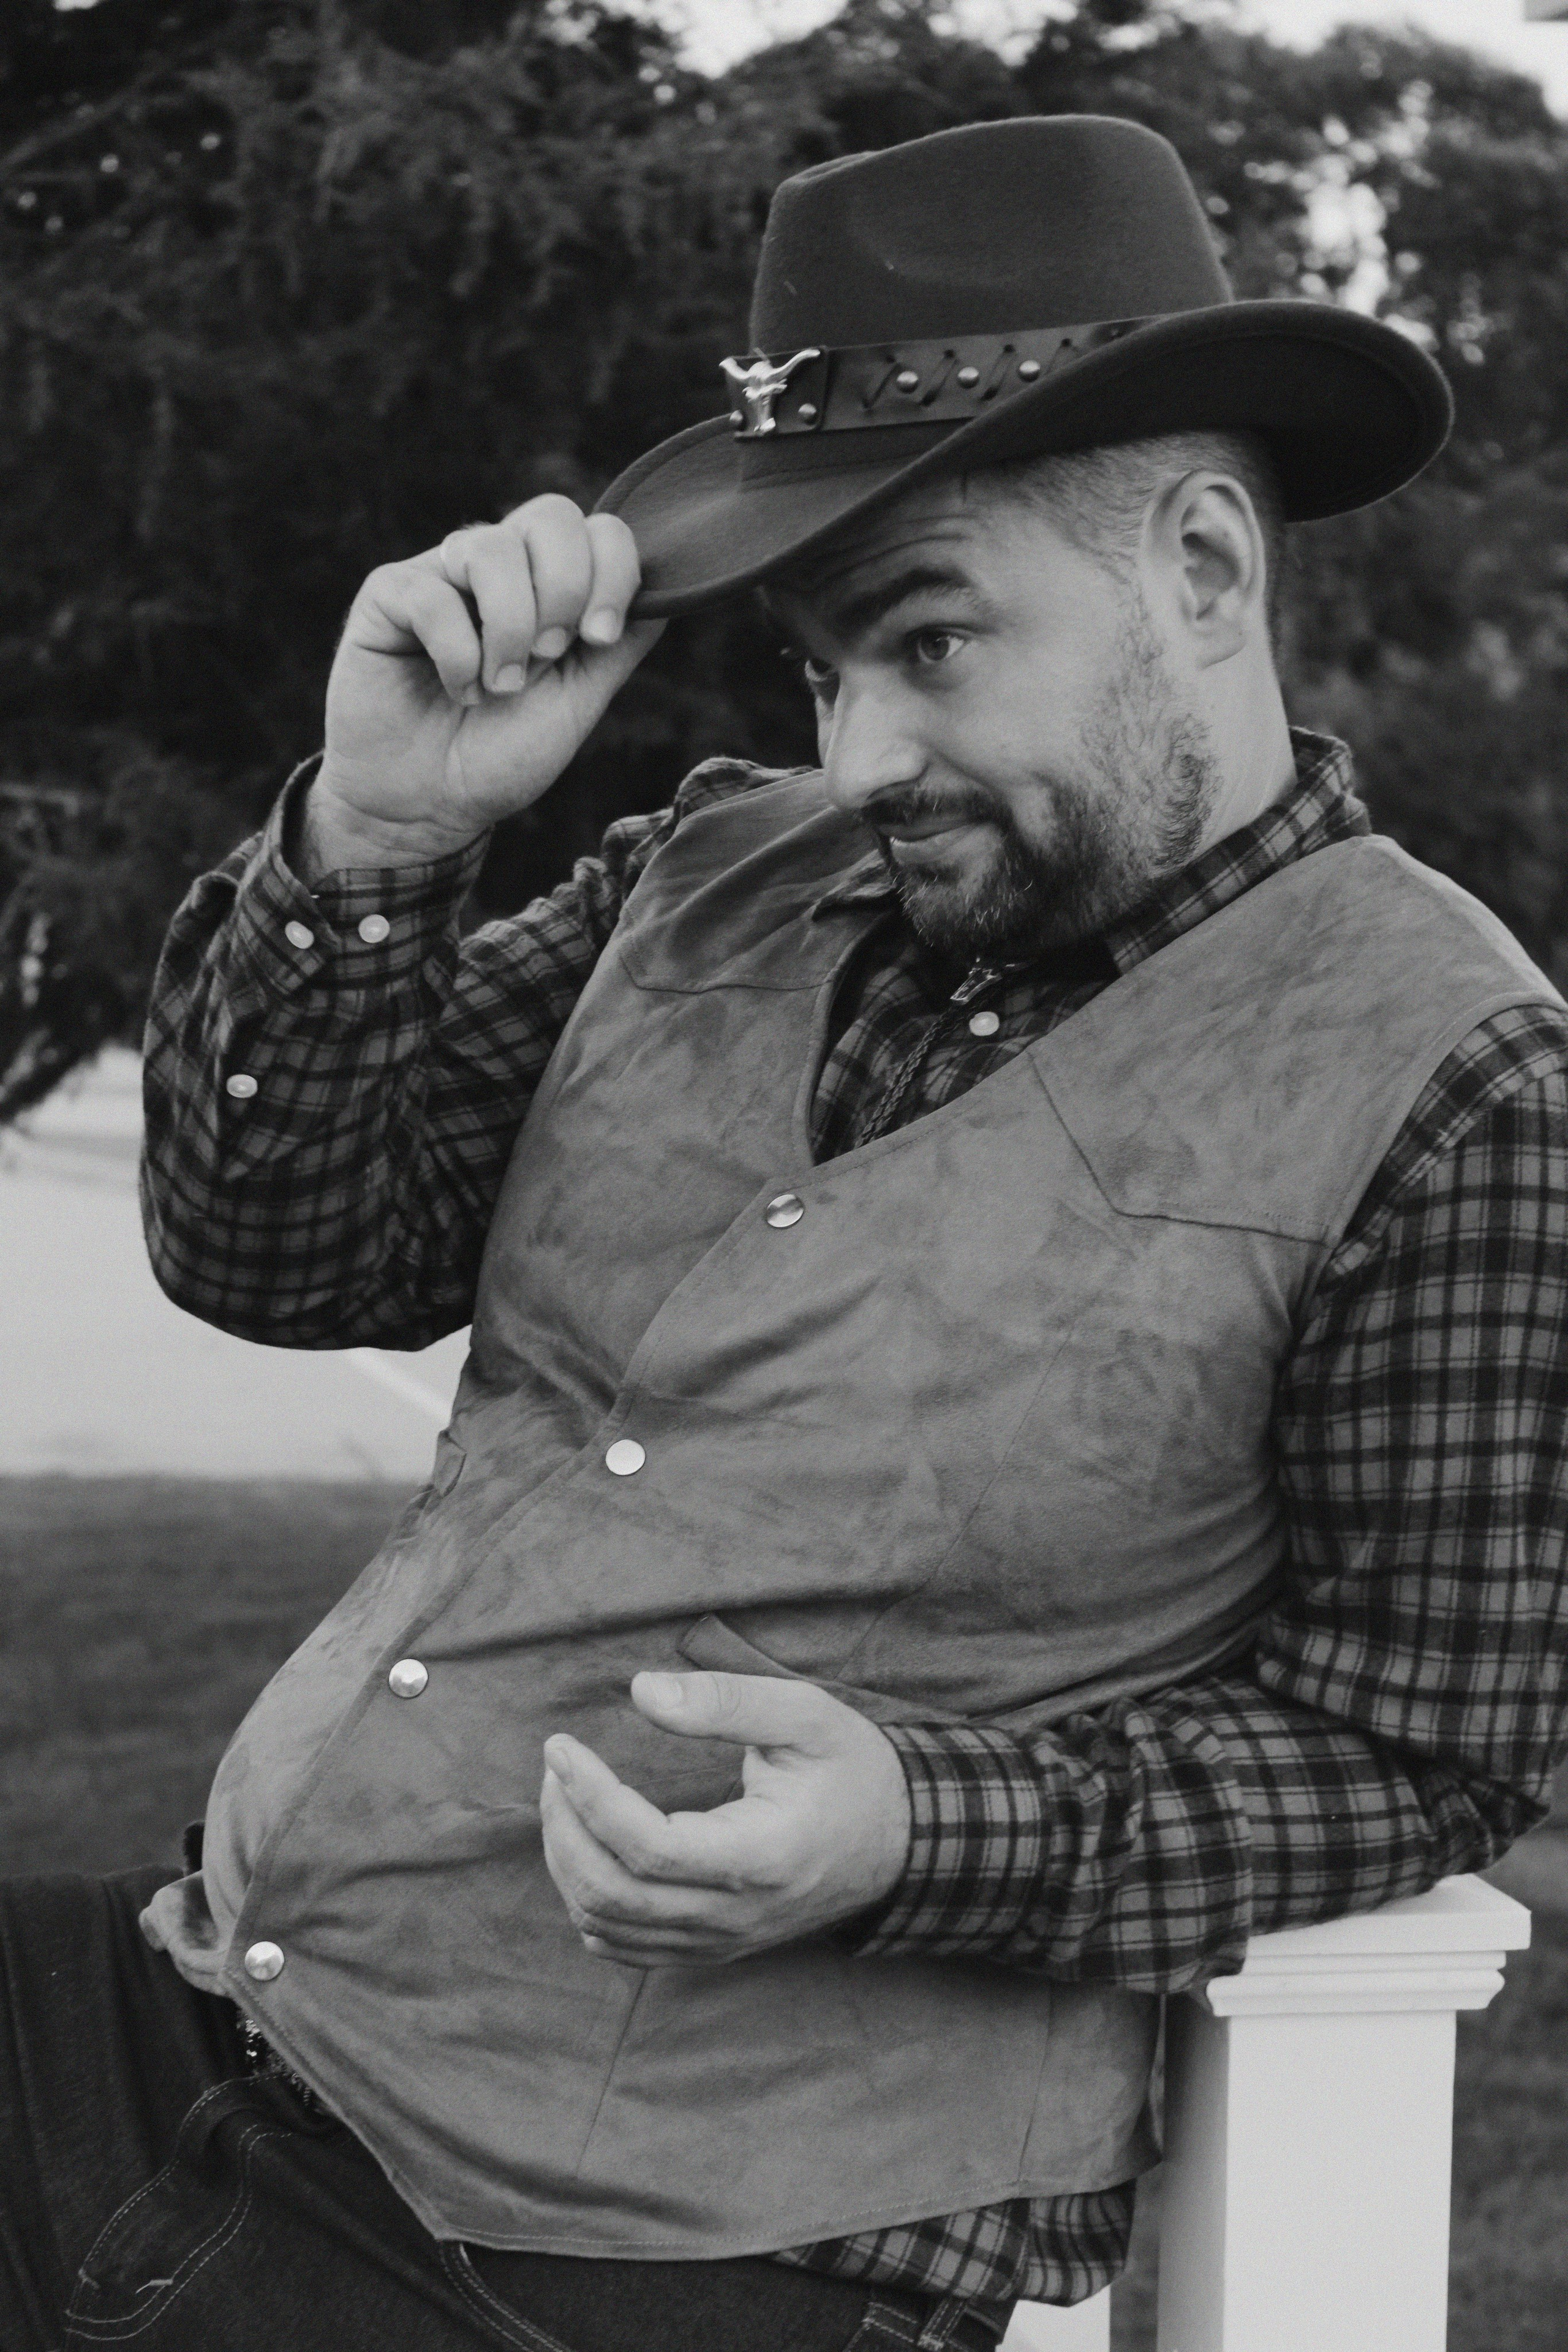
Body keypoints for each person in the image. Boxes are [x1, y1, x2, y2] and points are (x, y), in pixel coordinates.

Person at [4, 114, 1566, 2352]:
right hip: (220, 2015)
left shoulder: (1461, 1080)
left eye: (929, 640)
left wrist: (926, 1830)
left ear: (1207, 571)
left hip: (649, 2257)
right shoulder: (708, 868)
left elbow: (1428, 1744)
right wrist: (380, 836)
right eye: (824, 670)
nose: (864, 755)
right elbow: (279, 1255)